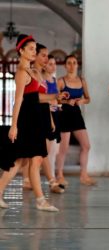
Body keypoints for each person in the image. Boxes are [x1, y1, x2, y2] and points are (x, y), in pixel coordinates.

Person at [0, 34, 59, 212]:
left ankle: (40, 200)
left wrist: (49, 117)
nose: (34, 51)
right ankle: (40, 200)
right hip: (28, 121)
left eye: (35, 49)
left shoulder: (33, 72)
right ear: (21, 51)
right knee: (27, 161)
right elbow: (17, 101)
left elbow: (41, 99)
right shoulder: (21, 73)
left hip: (37, 121)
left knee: (25, 161)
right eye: (31, 49)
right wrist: (14, 125)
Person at [22, 44, 64, 194]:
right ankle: (47, 183)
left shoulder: (41, 75)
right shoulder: (29, 73)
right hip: (33, 117)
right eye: (44, 55)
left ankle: (42, 187)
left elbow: (45, 100)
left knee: (36, 155)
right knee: (29, 156)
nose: (47, 59)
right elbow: (30, 98)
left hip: (44, 115)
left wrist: (51, 118)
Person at [55, 55, 96, 186]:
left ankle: (84, 175)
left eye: (74, 63)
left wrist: (82, 100)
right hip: (64, 115)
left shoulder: (82, 81)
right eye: (69, 63)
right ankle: (59, 175)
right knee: (64, 148)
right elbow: (55, 99)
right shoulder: (61, 81)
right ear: (65, 66)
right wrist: (68, 101)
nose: (72, 65)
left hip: (77, 115)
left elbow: (88, 98)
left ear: (77, 65)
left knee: (86, 145)